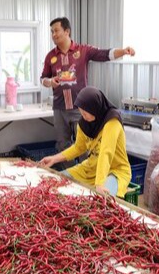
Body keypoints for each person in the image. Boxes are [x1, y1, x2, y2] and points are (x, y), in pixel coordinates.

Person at [40, 17, 135, 165]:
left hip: (81, 109)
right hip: (59, 109)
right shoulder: (50, 56)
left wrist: (123, 51)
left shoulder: (82, 50)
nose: (54, 34)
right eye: (52, 32)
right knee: (62, 145)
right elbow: (43, 79)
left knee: (85, 146)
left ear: (67, 31)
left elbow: (105, 54)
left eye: (57, 30)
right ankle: (70, 177)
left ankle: (88, 179)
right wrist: (50, 82)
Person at [39, 86, 131, 197]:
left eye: (86, 113)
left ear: (95, 108)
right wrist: (54, 159)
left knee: (103, 199)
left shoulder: (112, 121)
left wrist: (100, 183)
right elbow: (78, 147)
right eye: (81, 113)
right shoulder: (84, 123)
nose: (83, 116)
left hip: (114, 171)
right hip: (91, 169)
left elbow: (106, 153)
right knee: (55, 182)